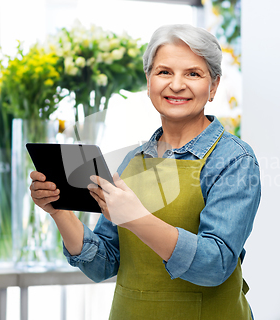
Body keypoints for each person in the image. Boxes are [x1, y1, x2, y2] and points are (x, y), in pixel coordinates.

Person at [30, 24, 261, 320]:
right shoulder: (133, 160)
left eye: (193, 73)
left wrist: (136, 218)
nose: (176, 85)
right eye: (164, 72)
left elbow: (214, 265)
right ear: (149, 81)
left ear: (213, 86)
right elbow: (103, 263)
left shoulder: (233, 160)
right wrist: (59, 211)